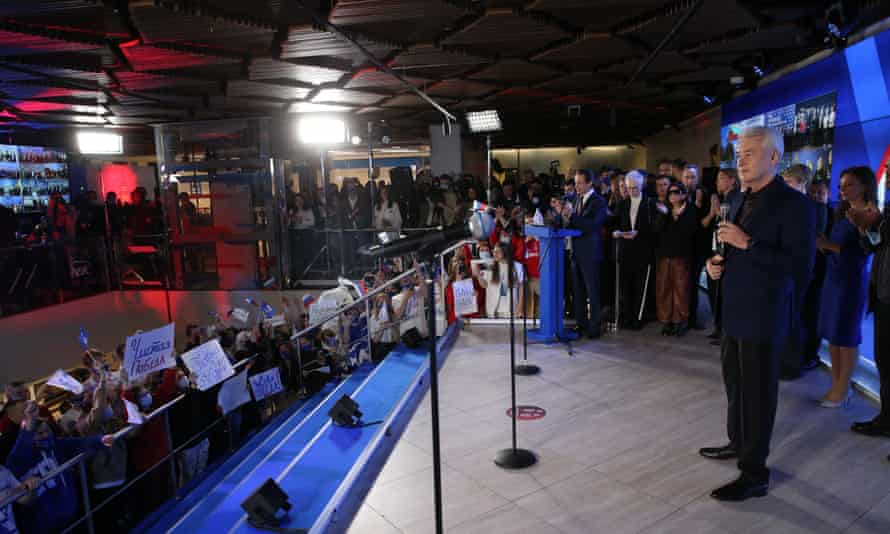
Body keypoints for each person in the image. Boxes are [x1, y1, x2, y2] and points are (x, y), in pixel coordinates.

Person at [701, 126, 815, 501]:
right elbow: (733, 248)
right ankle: (738, 443)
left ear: (774, 157)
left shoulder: (795, 205)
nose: (741, 159)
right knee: (735, 386)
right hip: (733, 311)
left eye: (750, 153)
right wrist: (718, 263)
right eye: (739, 154)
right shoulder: (740, 198)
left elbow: (800, 268)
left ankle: (754, 473)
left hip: (763, 316)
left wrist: (747, 242)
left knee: (758, 394)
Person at [6, 400, 115, 533]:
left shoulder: (58, 445)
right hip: (43, 525)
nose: (45, 435)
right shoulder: (21, 457)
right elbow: (15, 461)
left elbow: (80, 443)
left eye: (47, 431)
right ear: (29, 437)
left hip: (70, 515)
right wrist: (29, 424)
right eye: (39, 433)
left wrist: (100, 440)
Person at [816, 167, 875, 407]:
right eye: (841, 185)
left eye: (849, 185)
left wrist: (828, 245)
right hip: (833, 277)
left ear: (864, 186)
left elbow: (863, 254)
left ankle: (842, 387)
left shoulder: (870, 214)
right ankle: (838, 383)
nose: (843, 190)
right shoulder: (842, 212)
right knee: (833, 334)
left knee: (847, 335)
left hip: (851, 282)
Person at [848, 178, 890, 440]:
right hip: (884, 295)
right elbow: (871, 246)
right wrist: (864, 228)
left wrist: (874, 223)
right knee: (884, 363)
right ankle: (886, 420)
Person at [559, 169, 607, 338]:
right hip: (575, 252)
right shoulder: (576, 199)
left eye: (580, 182)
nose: (576, 186)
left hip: (590, 253)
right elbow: (572, 225)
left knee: (592, 291)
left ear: (589, 183)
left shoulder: (598, 202)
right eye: (575, 182)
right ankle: (581, 324)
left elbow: (592, 226)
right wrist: (563, 215)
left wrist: (572, 215)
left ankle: (594, 327)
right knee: (578, 291)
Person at [779, 164, 815, 379]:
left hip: (797, 271)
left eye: (788, 182)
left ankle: (791, 366)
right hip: (793, 270)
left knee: (793, 319)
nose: (784, 186)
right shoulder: (797, 205)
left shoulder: (805, 206)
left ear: (801, 183)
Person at [612, 170, 657, 330]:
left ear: (641, 186)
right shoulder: (622, 204)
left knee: (640, 286)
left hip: (642, 251)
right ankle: (627, 317)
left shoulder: (650, 204)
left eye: (635, 188)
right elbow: (614, 223)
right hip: (625, 251)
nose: (632, 191)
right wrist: (616, 232)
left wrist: (639, 232)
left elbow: (655, 228)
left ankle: (638, 318)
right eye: (629, 188)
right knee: (625, 287)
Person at [653, 182, 698, 336]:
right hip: (664, 255)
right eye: (670, 193)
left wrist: (679, 217)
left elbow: (690, 232)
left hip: (681, 255)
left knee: (681, 290)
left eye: (676, 192)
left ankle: (680, 321)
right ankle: (666, 321)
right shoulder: (663, 210)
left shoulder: (690, 210)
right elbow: (656, 230)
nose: (672, 195)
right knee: (664, 289)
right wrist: (666, 214)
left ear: (684, 194)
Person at [706, 168, 740, 344]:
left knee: (722, 295)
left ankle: (724, 331)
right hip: (717, 249)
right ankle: (719, 328)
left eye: (721, 178)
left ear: (732, 180)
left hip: (725, 252)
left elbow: (726, 222)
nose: (717, 182)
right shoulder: (725, 199)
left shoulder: (735, 199)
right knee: (716, 294)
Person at [801, 179, 832, 368]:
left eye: (820, 193)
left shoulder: (833, 215)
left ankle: (811, 354)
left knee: (814, 315)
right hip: (804, 272)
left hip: (822, 274)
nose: (816, 196)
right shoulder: (804, 214)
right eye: (812, 193)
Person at [682, 164, 710, 330]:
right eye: (686, 177)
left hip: (698, 247)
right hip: (681, 246)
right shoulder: (678, 193)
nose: (689, 180)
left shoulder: (704, 194)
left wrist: (698, 204)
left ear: (697, 178)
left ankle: (692, 318)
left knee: (692, 283)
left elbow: (703, 224)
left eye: (692, 177)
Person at [473, 243, 525, 318]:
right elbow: (484, 285)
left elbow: (521, 288)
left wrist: (520, 307)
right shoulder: (490, 266)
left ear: (505, 252)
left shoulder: (517, 266)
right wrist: (478, 275)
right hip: (493, 309)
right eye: (494, 252)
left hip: (510, 309)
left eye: (498, 252)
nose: (495, 254)